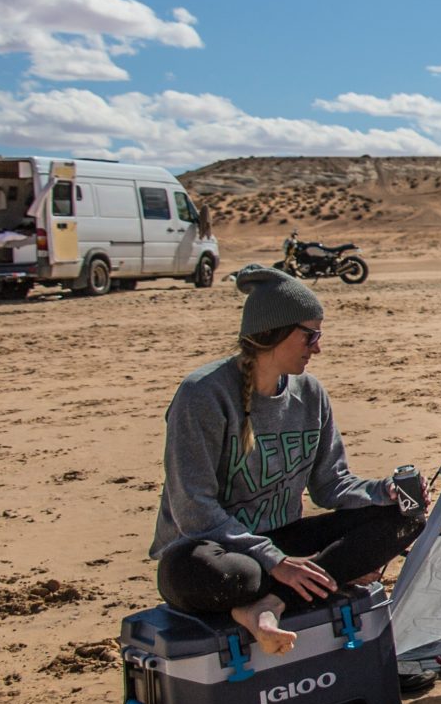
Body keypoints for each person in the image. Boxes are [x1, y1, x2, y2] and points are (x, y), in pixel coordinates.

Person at [153, 264, 423, 655]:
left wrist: (383, 492)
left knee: (403, 519)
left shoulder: (310, 394)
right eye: (310, 335)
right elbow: (193, 512)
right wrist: (278, 562)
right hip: (209, 551)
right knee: (236, 578)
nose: (318, 347)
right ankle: (311, 579)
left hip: (281, 538)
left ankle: (271, 604)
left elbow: (331, 484)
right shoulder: (203, 395)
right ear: (272, 333)